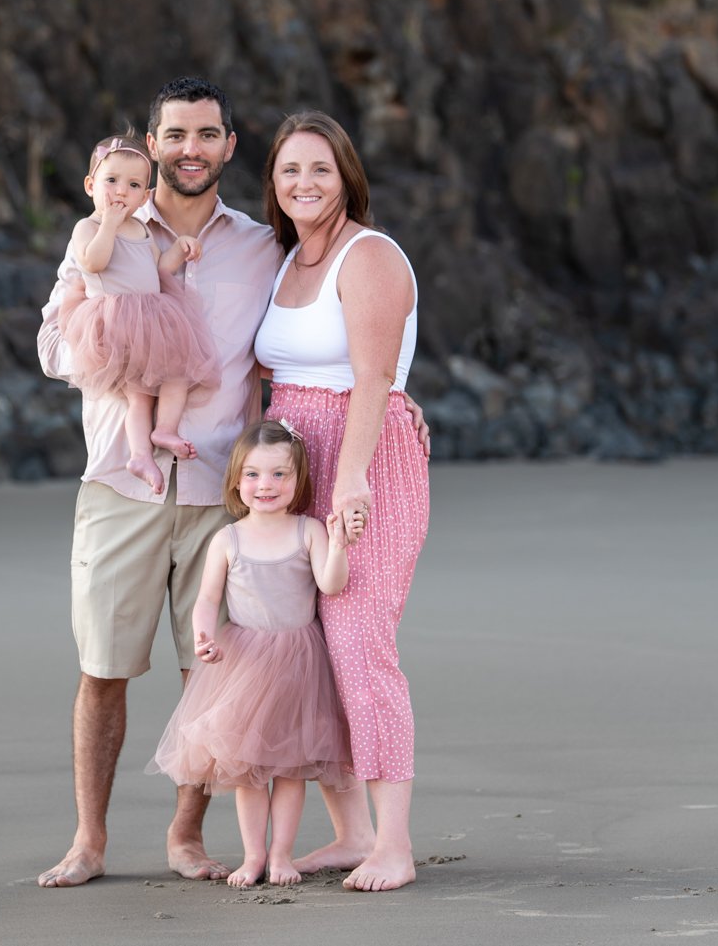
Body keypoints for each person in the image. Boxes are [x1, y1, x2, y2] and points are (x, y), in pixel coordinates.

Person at [34, 77, 284, 888]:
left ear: (229, 146)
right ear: (152, 143)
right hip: (120, 482)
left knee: (209, 666)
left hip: (222, 489)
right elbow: (48, 347)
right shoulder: (103, 228)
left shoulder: (260, 246)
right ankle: (89, 840)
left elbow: (315, 344)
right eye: (175, 135)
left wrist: (397, 391)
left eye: (207, 135)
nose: (190, 150)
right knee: (103, 666)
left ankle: (186, 834)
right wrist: (114, 348)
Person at [253, 110, 430, 892]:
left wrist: (352, 476)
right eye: (289, 170)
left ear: (346, 175)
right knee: (308, 651)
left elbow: (373, 377)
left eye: (320, 169)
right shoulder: (286, 261)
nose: (304, 183)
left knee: (360, 643)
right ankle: (350, 829)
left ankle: (394, 842)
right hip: (289, 464)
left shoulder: (372, 256)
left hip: (366, 458)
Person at [146, 420, 363, 888]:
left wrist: (340, 544)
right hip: (244, 659)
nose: (265, 485)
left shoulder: (307, 531)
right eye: (253, 474)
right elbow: (206, 600)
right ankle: (253, 856)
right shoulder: (228, 538)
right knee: (247, 771)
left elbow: (331, 583)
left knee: (289, 770)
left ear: (298, 480)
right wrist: (204, 636)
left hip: (299, 663)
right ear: (236, 480)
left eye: (279, 475)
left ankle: (282, 854)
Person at [58, 134, 219, 494]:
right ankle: (141, 453)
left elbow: (159, 269)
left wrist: (179, 248)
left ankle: (163, 431)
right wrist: (109, 225)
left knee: (177, 373)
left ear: (144, 196)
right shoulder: (88, 227)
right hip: (116, 321)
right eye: (111, 181)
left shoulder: (142, 229)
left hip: (152, 315)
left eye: (132, 185)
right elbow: (93, 262)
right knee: (138, 396)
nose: (120, 192)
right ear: (90, 186)